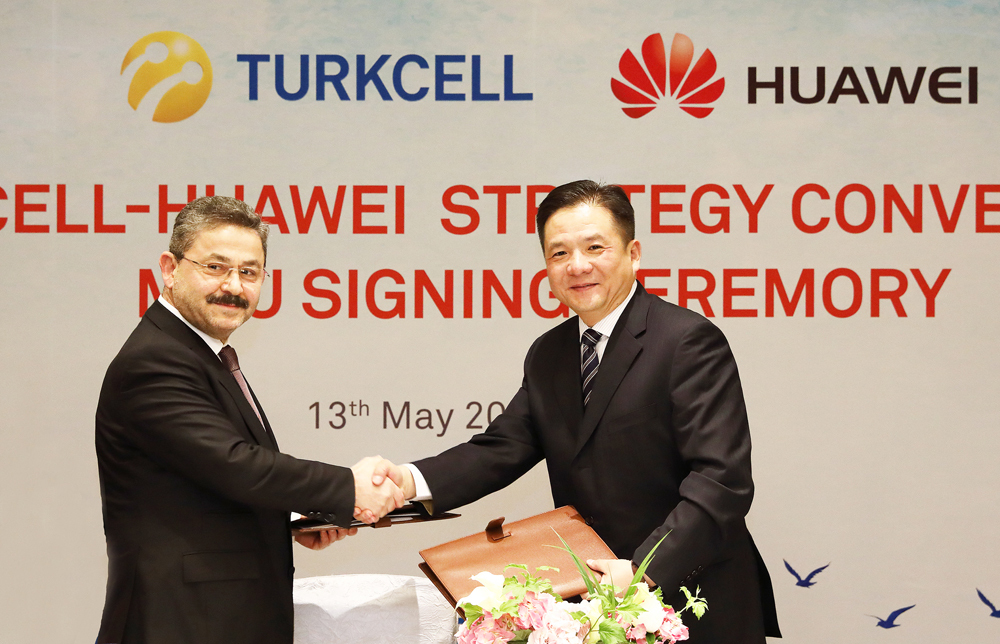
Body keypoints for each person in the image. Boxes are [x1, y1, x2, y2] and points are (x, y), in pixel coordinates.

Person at [376, 180, 780, 642]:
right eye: (559, 253)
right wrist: (406, 481)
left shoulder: (686, 341)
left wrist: (644, 569)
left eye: (594, 247)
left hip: (693, 599)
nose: (578, 266)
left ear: (633, 254)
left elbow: (721, 482)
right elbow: (500, 448)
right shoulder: (548, 353)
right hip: (594, 607)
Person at [95, 196, 403, 644]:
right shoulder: (154, 360)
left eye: (249, 272)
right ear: (170, 268)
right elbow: (235, 464)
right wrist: (347, 487)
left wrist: (295, 514)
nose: (233, 286)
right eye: (215, 267)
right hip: (179, 624)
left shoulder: (201, 353)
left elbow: (204, 481)